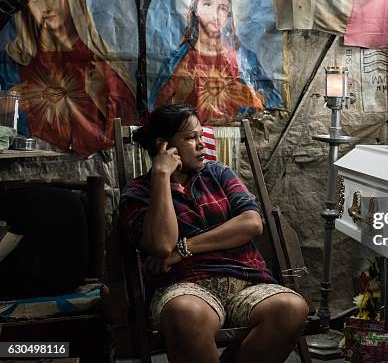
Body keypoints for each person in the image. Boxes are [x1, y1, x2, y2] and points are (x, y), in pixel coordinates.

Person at [119, 104, 308, 363]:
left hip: (246, 281)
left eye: (200, 135)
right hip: (184, 286)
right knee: (185, 313)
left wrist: (183, 249)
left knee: (292, 308)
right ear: (163, 146)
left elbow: (252, 223)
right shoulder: (138, 193)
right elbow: (162, 245)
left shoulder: (218, 173)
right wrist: (162, 176)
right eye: (190, 138)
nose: (201, 145)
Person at [0, 0, 138, 156]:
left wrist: (100, 96)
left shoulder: (98, 60)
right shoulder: (15, 60)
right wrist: (7, 107)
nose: (45, 7)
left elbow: (128, 122)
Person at [151, 0, 282, 124]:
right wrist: (179, 97)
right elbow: (153, 108)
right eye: (208, 4)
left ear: (228, 14)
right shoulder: (178, 60)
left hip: (238, 137)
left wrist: (256, 96)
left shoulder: (243, 57)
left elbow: (276, 99)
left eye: (223, 7)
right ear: (195, 9)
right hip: (193, 139)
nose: (216, 15)